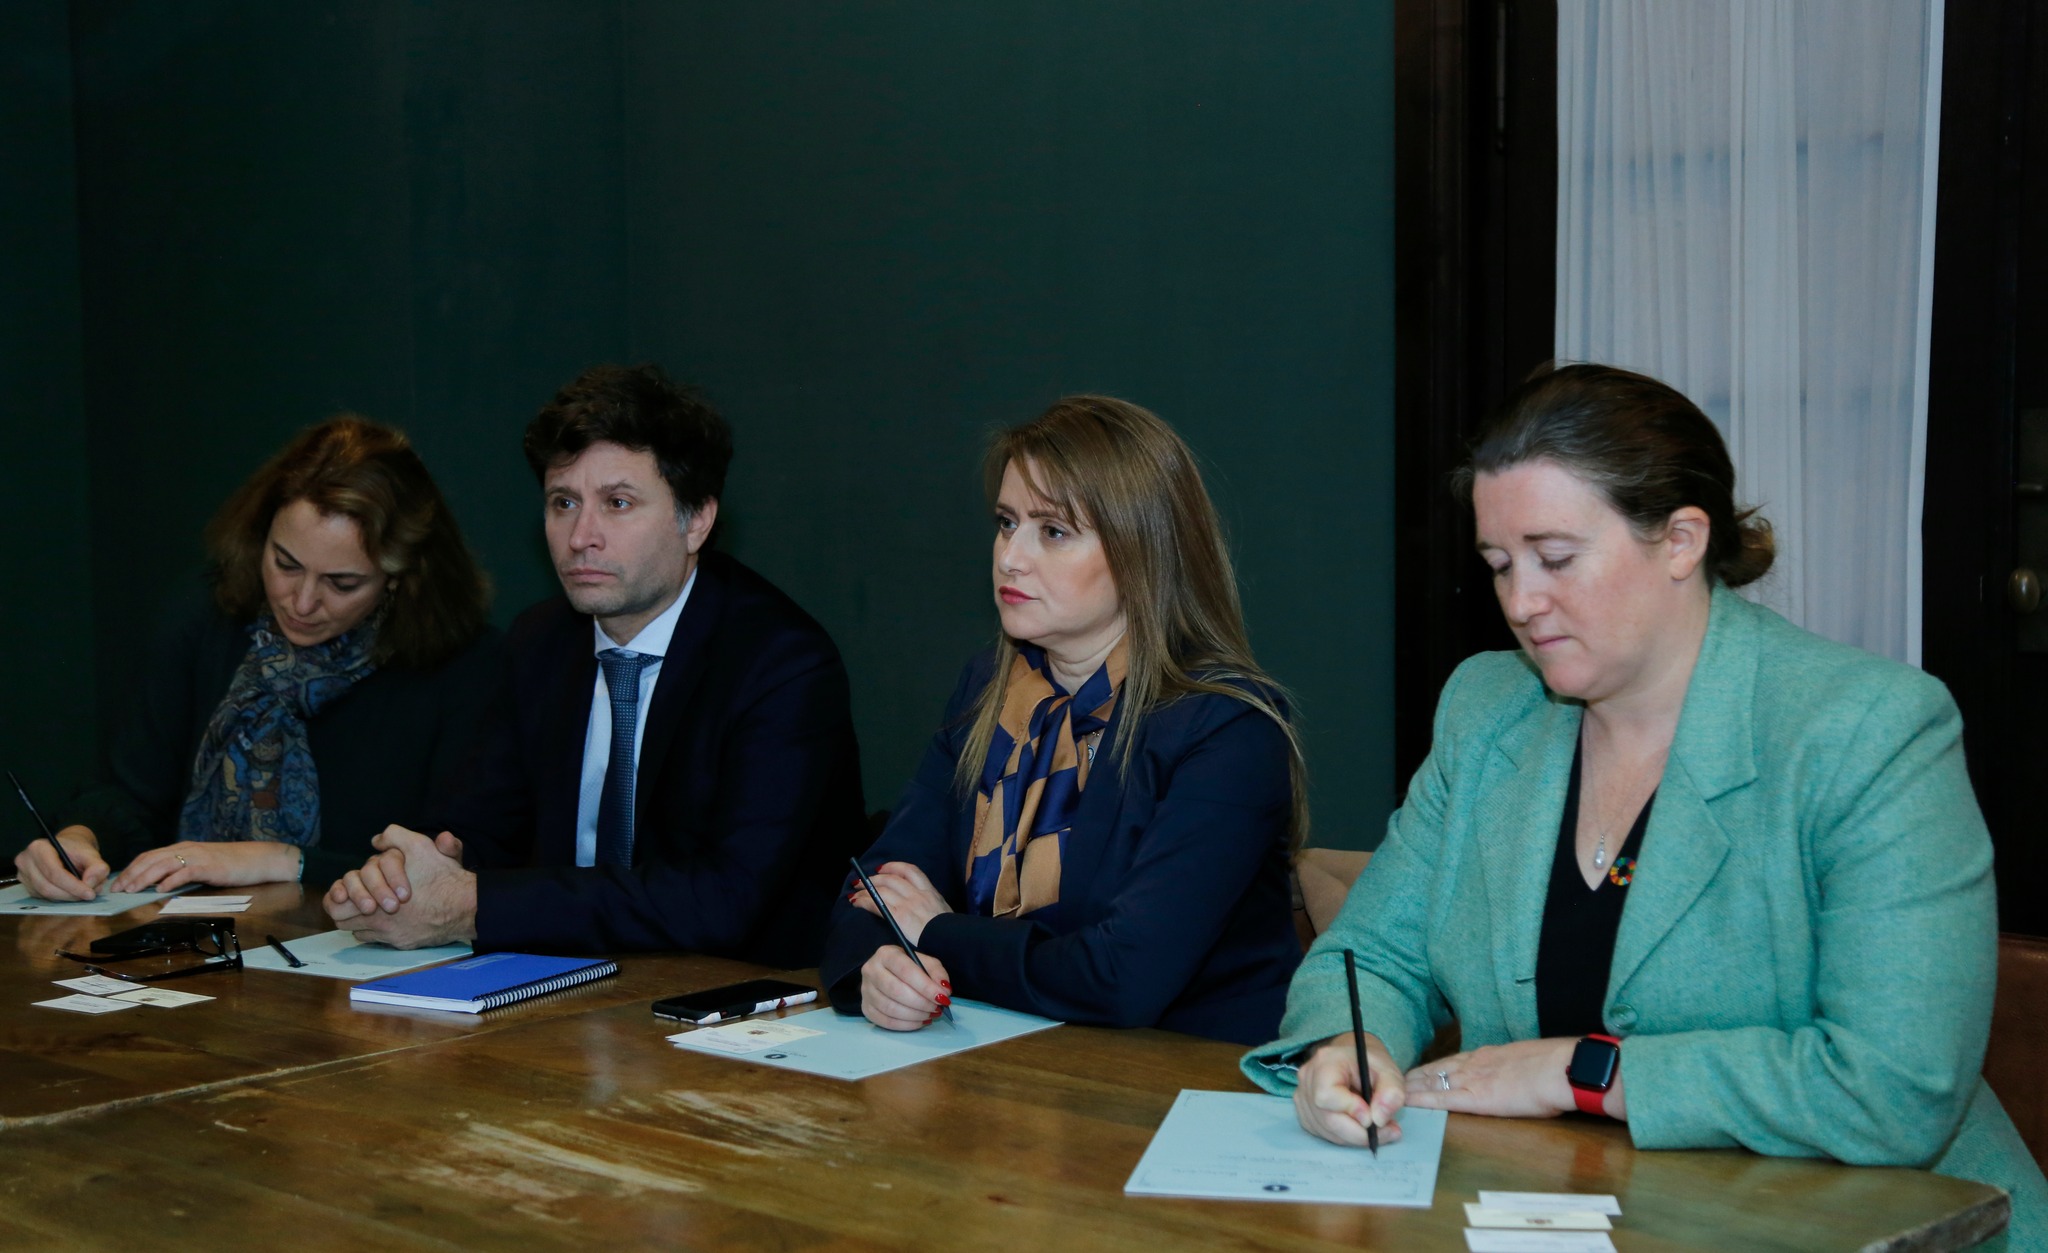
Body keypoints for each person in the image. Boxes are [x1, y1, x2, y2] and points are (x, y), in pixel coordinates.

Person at [1242, 363, 2048, 1247]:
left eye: (1556, 559)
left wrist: (1583, 1071)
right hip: (1571, 1216)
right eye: (1499, 565)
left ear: (1681, 541)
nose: (1520, 602)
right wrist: (1347, 1049)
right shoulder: (1486, 708)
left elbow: (1895, 1088)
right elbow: (1372, 954)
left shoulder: (1866, 729)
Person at [322, 364, 865, 967]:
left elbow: (723, 899)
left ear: (696, 520)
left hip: (738, 991)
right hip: (564, 978)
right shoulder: (540, 642)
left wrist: (471, 904)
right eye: (564, 503)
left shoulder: (781, 663)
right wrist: (412, 875)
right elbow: (480, 825)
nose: (581, 536)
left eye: (618, 503)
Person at [820, 396, 1305, 1046]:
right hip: (1005, 1064)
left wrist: (936, 935)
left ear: (1142, 553)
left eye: (1052, 531)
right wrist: (881, 970)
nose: (1009, 557)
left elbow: (1123, 976)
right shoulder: (990, 689)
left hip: (1185, 1077)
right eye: (1006, 523)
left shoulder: (1227, 727)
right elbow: (874, 890)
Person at [13, 416, 500, 898]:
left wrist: (281, 860)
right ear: (259, 537)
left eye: (342, 583)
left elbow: (457, 865)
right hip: (192, 930)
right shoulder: (209, 618)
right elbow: (133, 791)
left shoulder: (461, 666)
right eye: (285, 564)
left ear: (398, 576)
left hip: (355, 941)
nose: (301, 602)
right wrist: (80, 838)